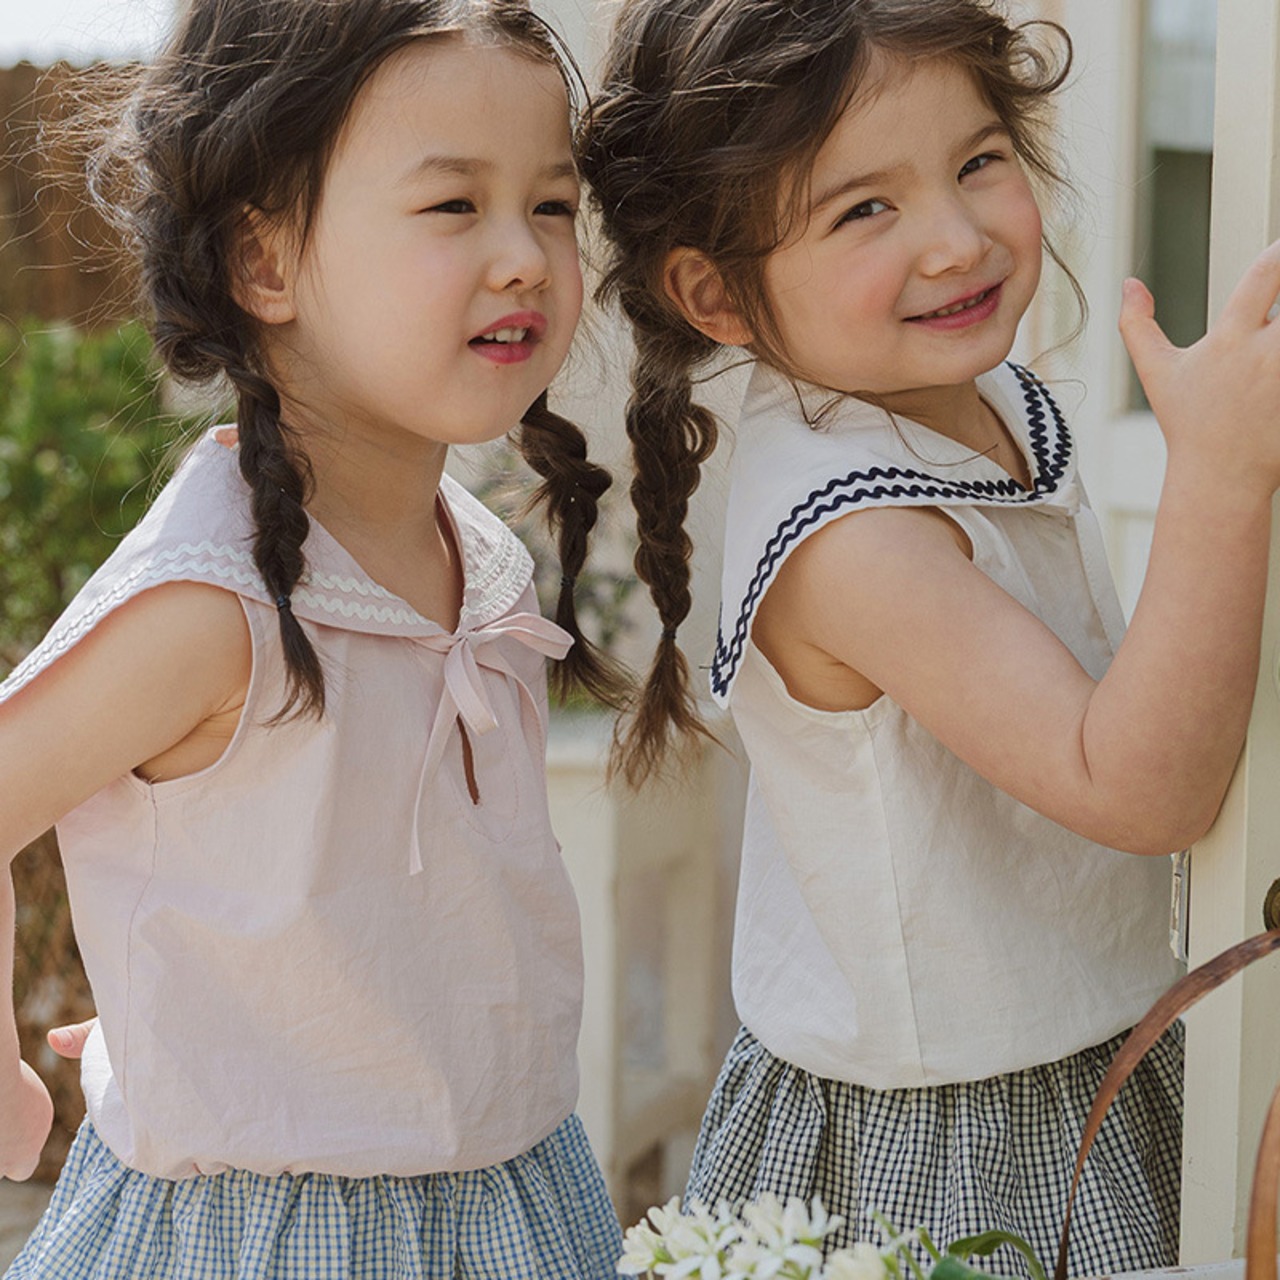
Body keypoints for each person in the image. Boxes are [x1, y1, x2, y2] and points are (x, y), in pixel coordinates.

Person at [577, 0, 1280, 1274]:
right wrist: (1219, 478)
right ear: (713, 291)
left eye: (976, 162)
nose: (955, 238)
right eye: (862, 209)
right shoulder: (848, 535)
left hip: (1099, 1050)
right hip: (960, 1136)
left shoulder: (986, 402)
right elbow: (1136, 785)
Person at [0, 0, 627, 1275]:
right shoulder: (209, 602)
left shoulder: (474, 551)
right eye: (454, 206)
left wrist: (222, 998)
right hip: (269, 1237)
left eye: (551, 204)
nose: (522, 256)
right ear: (265, 263)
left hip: (512, 1203)